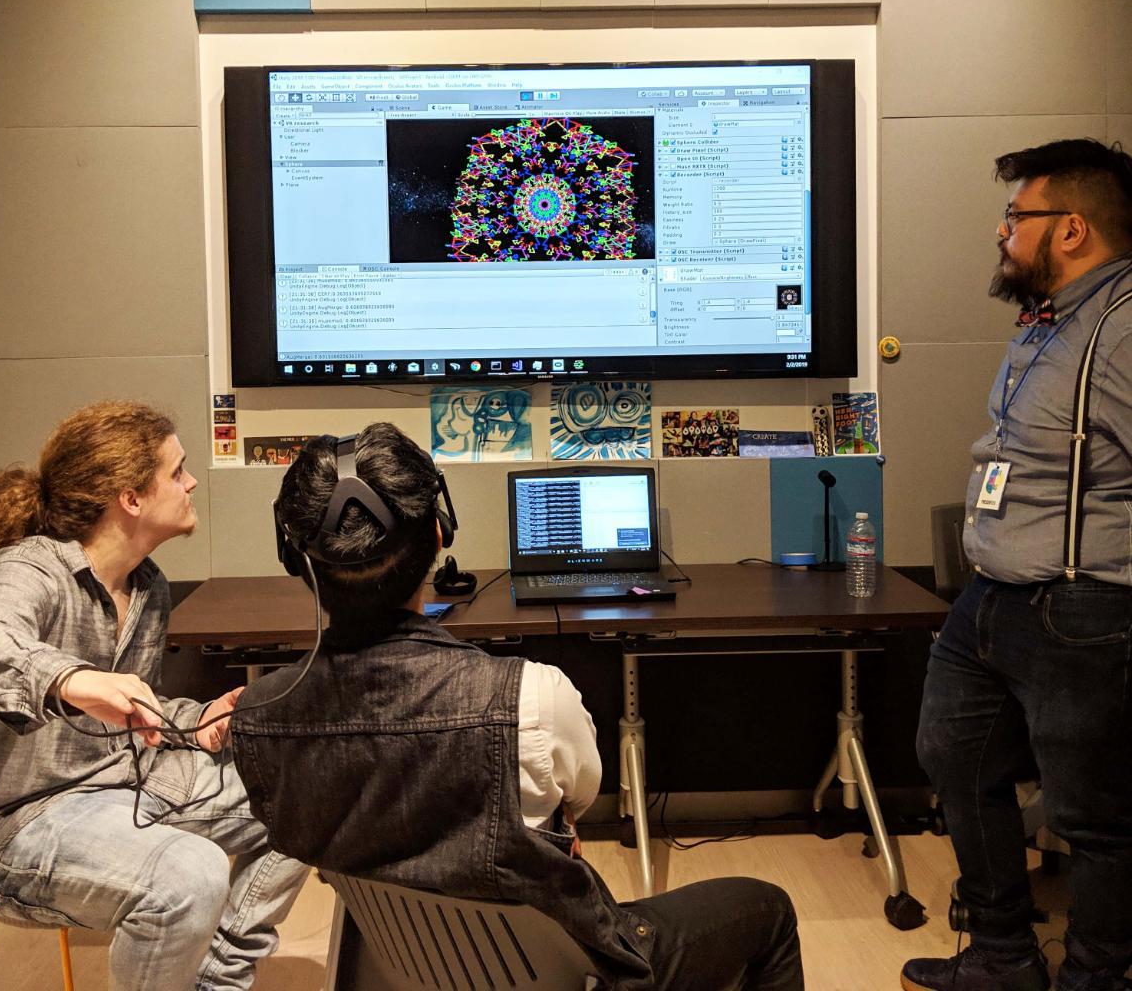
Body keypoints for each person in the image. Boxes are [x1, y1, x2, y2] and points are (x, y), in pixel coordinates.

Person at [232, 422, 804, 990]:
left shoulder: (258, 717)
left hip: (394, 963)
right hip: (569, 970)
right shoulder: (532, 699)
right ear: (440, 531)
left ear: (293, 558)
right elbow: (577, 801)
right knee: (769, 909)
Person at [0, 401, 308, 991]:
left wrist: (198, 718)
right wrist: (70, 679)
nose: (191, 482)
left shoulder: (148, 587)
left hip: (130, 784)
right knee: (191, 874)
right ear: (130, 498)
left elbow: (131, 706)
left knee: (314, 790)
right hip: (21, 823)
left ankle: (213, 982)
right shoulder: (30, 569)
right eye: (177, 471)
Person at [903, 140, 1132, 991]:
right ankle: (1002, 956)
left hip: (1082, 608)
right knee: (955, 760)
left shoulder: (1122, 327)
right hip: (992, 599)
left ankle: (1095, 978)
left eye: (1016, 216)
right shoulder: (1053, 317)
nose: (1002, 232)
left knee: (1093, 815)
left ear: (1071, 229)